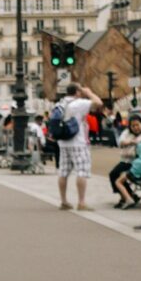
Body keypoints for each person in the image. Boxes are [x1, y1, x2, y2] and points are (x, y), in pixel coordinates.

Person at [55, 83, 104, 211]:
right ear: (77, 91)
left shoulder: (60, 103)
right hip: (78, 141)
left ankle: (64, 201)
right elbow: (98, 103)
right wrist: (88, 92)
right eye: (80, 90)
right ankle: (81, 202)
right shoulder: (79, 103)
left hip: (63, 142)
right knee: (82, 171)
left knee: (63, 172)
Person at [108, 116, 141, 205]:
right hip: (126, 161)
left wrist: (129, 142)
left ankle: (127, 196)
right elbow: (120, 142)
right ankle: (128, 195)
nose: (136, 127)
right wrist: (131, 142)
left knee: (117, 175)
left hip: (136, 163)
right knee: (113, 174)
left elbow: (139, 142)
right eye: (133, 126)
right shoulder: (127, 132)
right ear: (130, 127)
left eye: (137, 125)